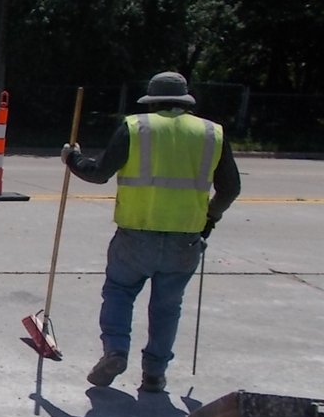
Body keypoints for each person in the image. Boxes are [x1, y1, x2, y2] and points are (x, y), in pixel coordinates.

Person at [63, 71, 241, 392]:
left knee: (119, 292)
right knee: (167, 307)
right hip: (185, 240)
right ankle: (155, 374)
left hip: (135, 235)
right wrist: (209, 220)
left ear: (151, 100)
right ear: (185, 101)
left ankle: (115, 350)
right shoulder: (212, 133)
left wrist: (72, 158)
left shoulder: (137, 127)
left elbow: (99, 172)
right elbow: (230, 188)